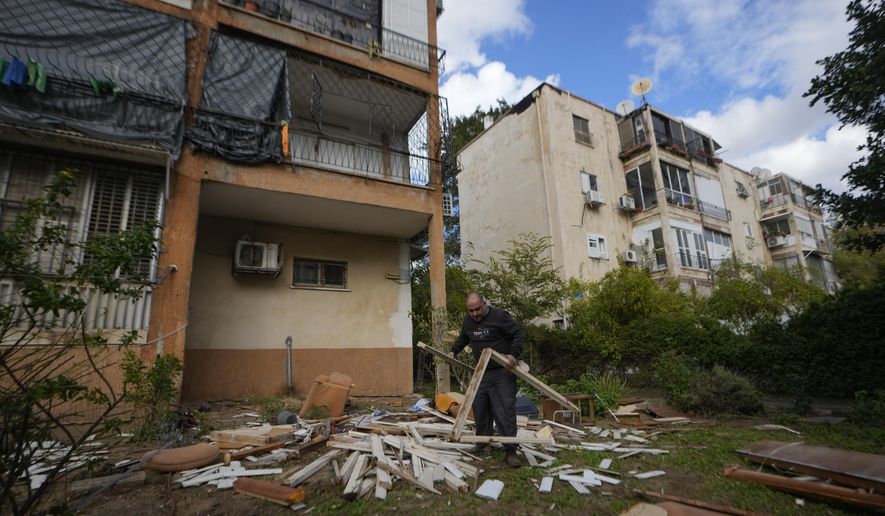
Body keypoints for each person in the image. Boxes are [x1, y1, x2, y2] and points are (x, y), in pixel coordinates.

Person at [448, 292, 524, 468]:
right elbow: (464, 337)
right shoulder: (468, 321)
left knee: (504, 409)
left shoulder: (500, 316)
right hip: (481, 371)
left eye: (478, 309)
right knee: (480, 407)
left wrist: (514, 354)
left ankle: (510, 451)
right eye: (471, 311)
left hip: (502, 371)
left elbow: (518, 334)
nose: (475, 314)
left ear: (485, 303)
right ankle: (482, 444)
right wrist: (454, 351)